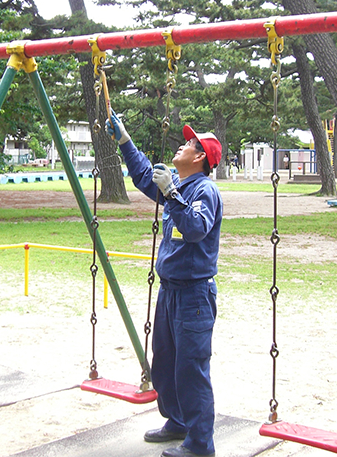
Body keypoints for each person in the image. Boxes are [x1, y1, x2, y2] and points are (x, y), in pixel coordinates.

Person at [106, 113, 223, 457]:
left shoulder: (204, 190)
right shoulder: (179, 184)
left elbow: (196, 228)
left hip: (194, 295)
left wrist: (171, 194)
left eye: (189, 144)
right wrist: (125, 139)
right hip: (170, 291)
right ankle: (177, 420)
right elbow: (144, 175)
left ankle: (200, 445)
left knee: (191, 368)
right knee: (166, 362)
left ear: (200, 157)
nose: (183, 145)